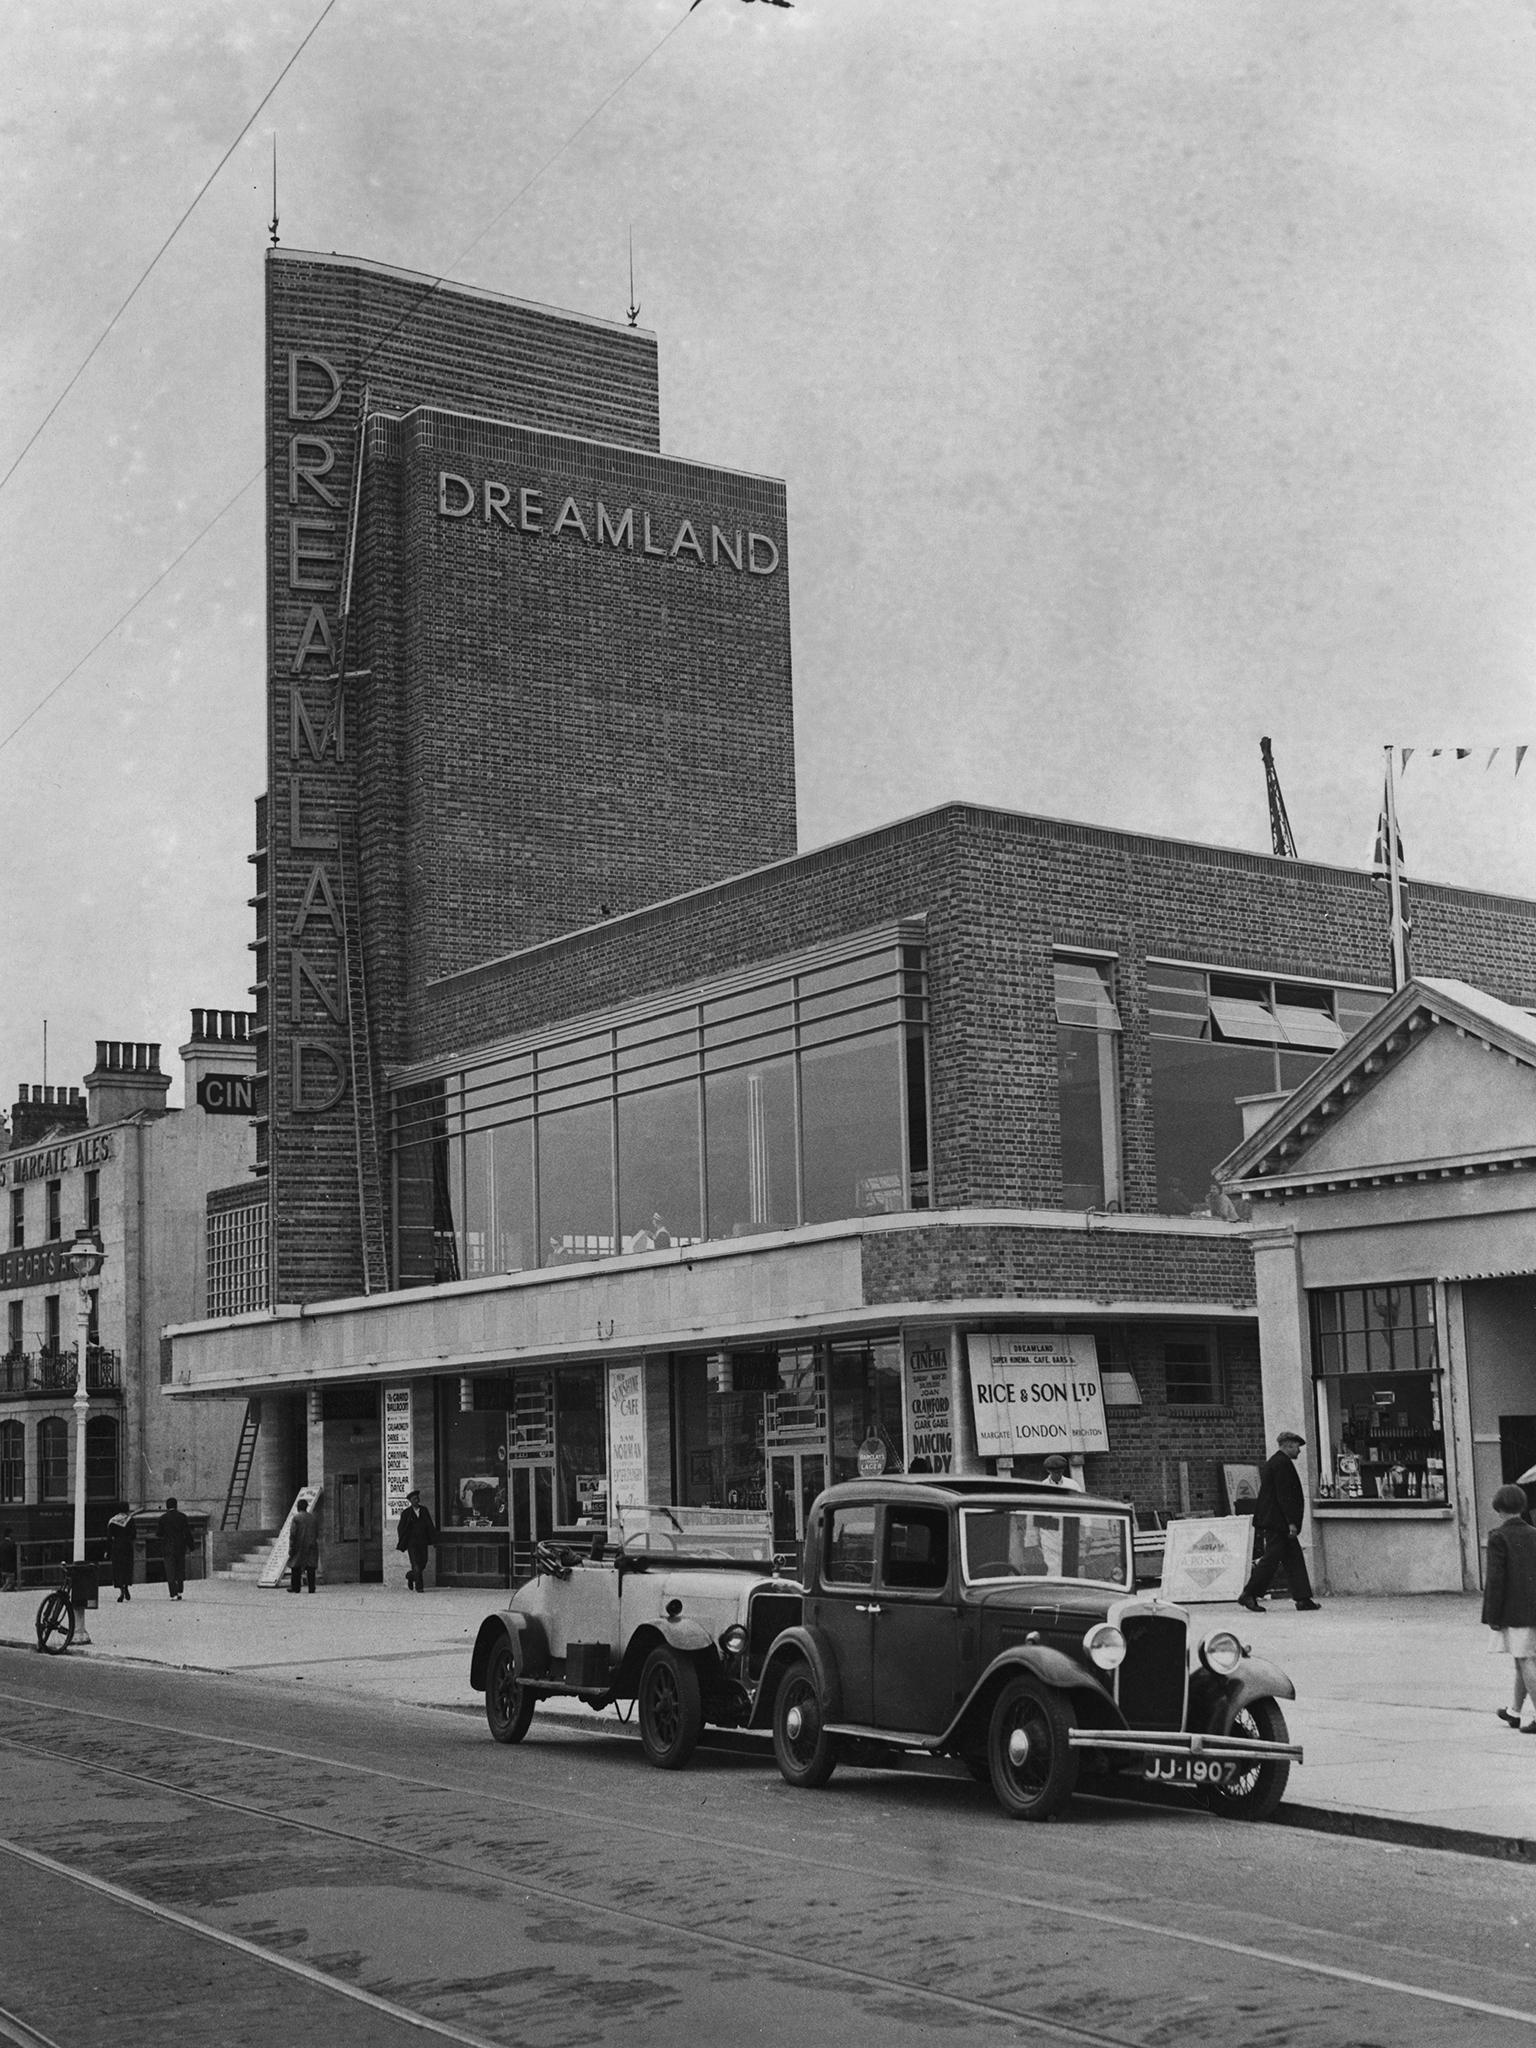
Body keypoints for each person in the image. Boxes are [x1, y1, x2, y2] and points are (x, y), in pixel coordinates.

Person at [1238, 1430, 1321, 1612]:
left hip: (1276, 1519)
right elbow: (1285, 1495)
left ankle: (1303, 1598)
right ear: (1288, 1445)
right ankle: (1249, 1594)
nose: (1299, 1451)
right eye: (1297, 1447)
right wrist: (1291, 1522)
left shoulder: (1276, 1462)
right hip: (1279, 1522)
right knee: (1271, 1558)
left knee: (1294, 1558)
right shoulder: (1282, 1464)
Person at [1483, 1483, 1536, 1732]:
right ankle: (1514, 1712)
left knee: (1524, 1661)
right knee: (1523, 1660)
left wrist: (1492, 1616)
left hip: (1515, 1611)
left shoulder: (1498, 1537)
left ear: (1499, 1508)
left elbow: (1495, 1581)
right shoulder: (1535, 1534)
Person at [397, 1487, 437, 1592]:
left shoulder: (424, 1510)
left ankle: (410, 1576)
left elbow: (430, 1525)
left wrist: (434, 1539)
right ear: (410, 1501)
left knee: (423, 1562)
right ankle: (419, 1587)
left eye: (417, 1498)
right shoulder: (406, 1513)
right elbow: (400, 1527)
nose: (417, 1500)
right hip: (412, 1543)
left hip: (423, 1542)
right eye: (414, 1499)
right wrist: (404, 1540)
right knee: (416, 1564)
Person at [158, 1495, 193, 1601]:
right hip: (180, 1546)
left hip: (168, 1547)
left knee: (170, 1571)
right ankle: (179, 1591)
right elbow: (187, 1532)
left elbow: (159, 1533)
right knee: (180, 1569)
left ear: (166, 1506)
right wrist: (191, 1545)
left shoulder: (163, 1518)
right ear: (176, 1505)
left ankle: (172, 1593)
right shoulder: (183, 1517)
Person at [287, 1498, 319, 1594]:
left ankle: (296, 1587)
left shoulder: (296, 1518)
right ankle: (311, 1587)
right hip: (312, 1545)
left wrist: (291, 1547)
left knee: (296, 1567)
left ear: (298, 1507)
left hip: (299, 1545)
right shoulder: (313, 1518)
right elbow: (317, 1532)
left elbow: (293, 1534)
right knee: (311, 1567)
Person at [106, 1509, 135, 1603]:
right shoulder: (130, 1520)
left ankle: (121, 1589)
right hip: (127, 1546)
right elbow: (134, 1535)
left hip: (116, 1547)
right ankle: (126, 1586)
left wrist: (107, 1550)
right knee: (127, 1567)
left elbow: (109, 1537)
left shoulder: (112, 1521)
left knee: (118, 1568)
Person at [0, 1527, 17, 1592]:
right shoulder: (12, 1543)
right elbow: (15, 1553)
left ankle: (9, 1588)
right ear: (10, 1534)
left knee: (7, 1578)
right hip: (11, 1565)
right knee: (10, 1578)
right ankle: (4, 1589)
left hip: (3, 1564)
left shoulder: (1, 1544)